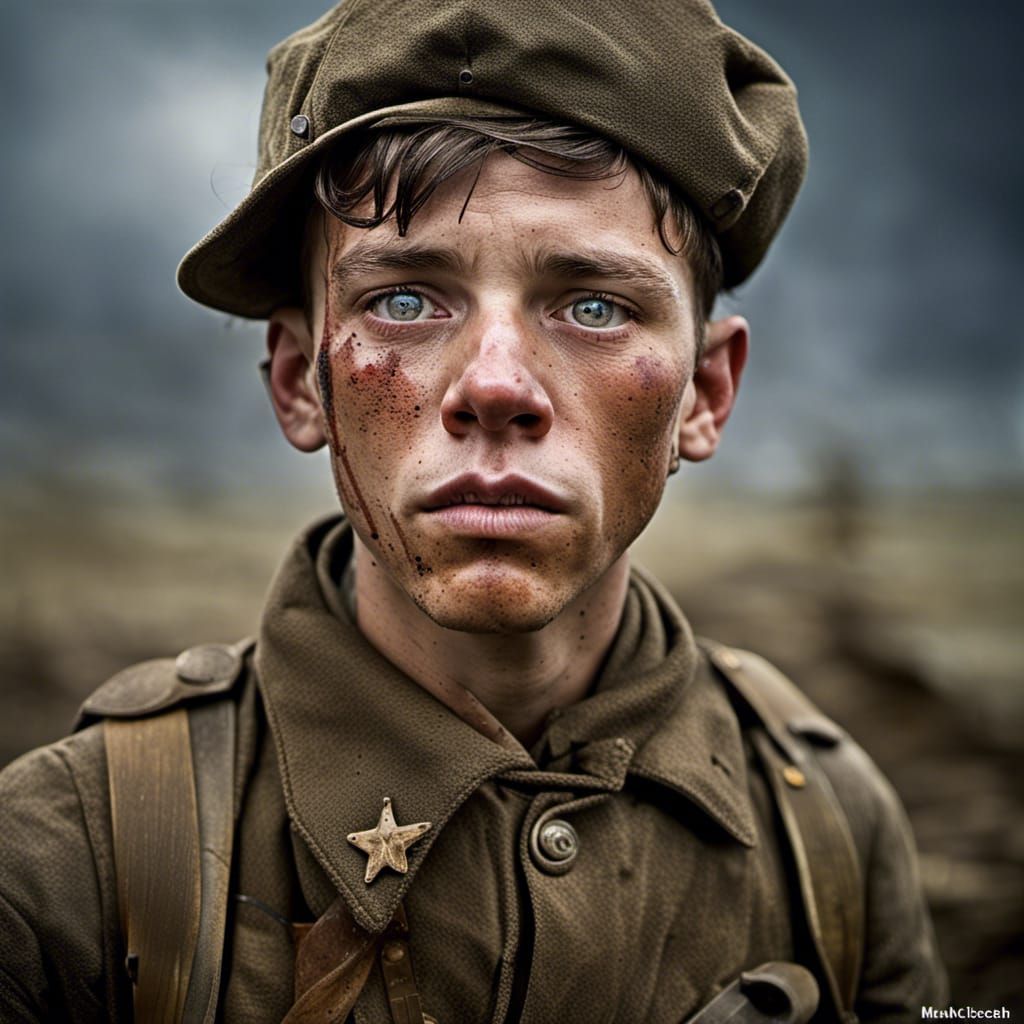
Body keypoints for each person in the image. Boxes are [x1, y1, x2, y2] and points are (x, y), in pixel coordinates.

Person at [0, 0, 946, 1021]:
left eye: (593, 305)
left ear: (704, 395)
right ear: (298, 381)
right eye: (404, 299)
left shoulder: (828, 832)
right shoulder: (64, 865)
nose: (495, 386)